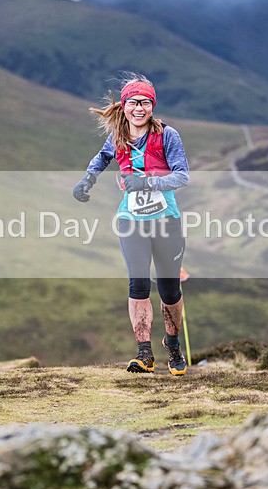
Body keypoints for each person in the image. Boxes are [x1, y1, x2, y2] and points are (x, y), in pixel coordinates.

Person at [73, 73, 189, 375]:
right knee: (138, 283)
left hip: (166, 220)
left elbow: (182, 176)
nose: (140, 108)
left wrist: (146, 181)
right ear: (124, 106)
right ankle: (144, 353)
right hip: (131, 220)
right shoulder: (118, 137)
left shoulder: (167, 135)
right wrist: (87, 180)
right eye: (135, 102)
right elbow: (100, 158)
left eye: (146, 102)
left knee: (169, 291)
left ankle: (172, 344)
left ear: (153, 106)